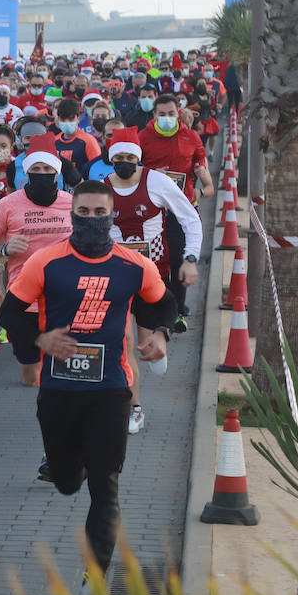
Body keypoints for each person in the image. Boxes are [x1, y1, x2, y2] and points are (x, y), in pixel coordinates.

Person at [0, 180, 174, 595]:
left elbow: (163, 304)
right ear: (71, 214)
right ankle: (65, 469)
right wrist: (40, 338)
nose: (92, 219)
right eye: (84, 212)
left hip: (111, 391)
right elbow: (8, 313)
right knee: (65, 481)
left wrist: (159, 335)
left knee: (105, 489)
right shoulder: (47, 262)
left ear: (112, 216)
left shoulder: (133, 266)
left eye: (101, 212)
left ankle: (94, 583)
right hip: (57, 391)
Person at [102, 128, 201, 434]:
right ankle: (135, 408)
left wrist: (191, 258)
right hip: (115, 277)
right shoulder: (101, 188)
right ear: (110, 159)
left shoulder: (156, 182)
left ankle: (158, 343)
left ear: (139, 158)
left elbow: (190, 218)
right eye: (118, 157)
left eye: (130, 157)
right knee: (123, 343)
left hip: (152, 277)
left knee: (146, 346)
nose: (124, 162)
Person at [0, 143, 73, 387]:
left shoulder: (72, 203)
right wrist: (4, 250)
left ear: (57, 173)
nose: (42, 173)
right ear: (27, 173)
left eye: (47, 168)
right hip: (23, 302)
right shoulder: (7, 205)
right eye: (36, 168)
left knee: (61, 373)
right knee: (31, 377)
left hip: (64, 299)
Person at [138, 94, 213, 328]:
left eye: (171, 114)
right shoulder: (144, 137)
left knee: (181, 260)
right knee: (160, 260)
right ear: (154, 115)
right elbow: (134, 168)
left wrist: (202, 185)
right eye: (162, 114)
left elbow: (201, 164)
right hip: (155, 209)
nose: (167, 118)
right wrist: (150, 172)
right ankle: (164, 306)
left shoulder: (190, 137)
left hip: (184, 208)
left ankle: (179, 309)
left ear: (178, 112)